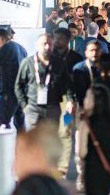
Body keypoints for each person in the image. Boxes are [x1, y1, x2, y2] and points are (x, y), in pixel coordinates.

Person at [15, 34, 76, 177]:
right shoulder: (28, 63)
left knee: (52, 138)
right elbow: (18, 86)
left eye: (49, 44)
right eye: (44, 44)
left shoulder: (59, 63)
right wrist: (24, 105)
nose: (47, 47)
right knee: (34, 139)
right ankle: (33, 171)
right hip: (33, 109)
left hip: (53, 107)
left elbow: (67, 84)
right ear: (37, 46)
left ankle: (50, 171)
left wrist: (70, 100)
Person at [0, 28, 27, 129]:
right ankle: (22, 143)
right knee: (20, 121)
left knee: (3, 121)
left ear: (0, 38)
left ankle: (5, 143)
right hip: (22, 90)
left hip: (10, 90)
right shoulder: (22, 48)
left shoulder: (6, 47)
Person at [72, 40, 102, 107]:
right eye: (91, 50)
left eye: (97, 50)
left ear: (101, 52)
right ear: (86, 53)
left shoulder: (105, 67)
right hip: (84, 105)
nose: (94, 53)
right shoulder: (79, 69)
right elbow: (78, 92)